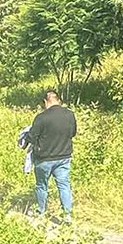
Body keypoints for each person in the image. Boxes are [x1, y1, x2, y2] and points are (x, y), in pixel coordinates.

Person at [25, 90, 77, 221]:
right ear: (58, 100)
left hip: (44, 158)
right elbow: (73, 133)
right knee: (64, 185)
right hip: (64, 157)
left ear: (45, 102)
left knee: (42, 185)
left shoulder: (42, 117)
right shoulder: (70, 115)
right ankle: (67, 215)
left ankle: (41, 212)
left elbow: (31, 137)